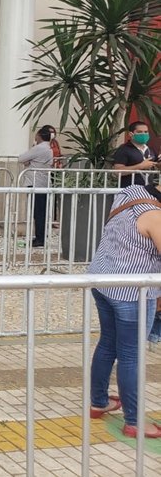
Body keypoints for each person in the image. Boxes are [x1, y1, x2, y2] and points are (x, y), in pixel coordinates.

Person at [88, 183, 161, 437]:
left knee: (108, 343)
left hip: (102, 280)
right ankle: (134, 421)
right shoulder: (155, 216)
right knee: (131, 355)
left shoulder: (130, 192)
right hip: (132, 293)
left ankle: (98, 401)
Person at [18, 127, 53, 248]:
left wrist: (29, 160)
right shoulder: (48, 148)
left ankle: (40, 238)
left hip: (35, 182)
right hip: (43, 182)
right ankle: (40, 236)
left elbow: (21, 158)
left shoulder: (39, 148)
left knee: (38, 212)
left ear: (40, 135)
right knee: (41, 211)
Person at [111, 121, 158, 188]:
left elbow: (156, 164)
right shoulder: (124, 149)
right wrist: (140, 166)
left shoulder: (150, 149)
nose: (143, 134)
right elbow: (117, 171)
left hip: (148, 190)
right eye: (139, 132)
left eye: (146, 132)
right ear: (131, 134)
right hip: (130, 190)